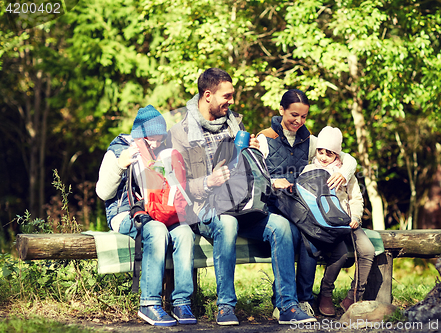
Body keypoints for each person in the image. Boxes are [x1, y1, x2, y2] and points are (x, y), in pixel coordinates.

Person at [167, 68, 316, 326]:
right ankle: (225, 306)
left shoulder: (236, 122)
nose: (232, 101)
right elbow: (177, 186)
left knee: (282, 226)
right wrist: (207, 181)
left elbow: (246, 167)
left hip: (243, 203)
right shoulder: (180, 133)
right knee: (227, 223)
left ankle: (288, 305)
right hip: (206, 208)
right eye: (227, 96)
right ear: (207, 95)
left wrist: (252, 152)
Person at [256, 89, 358, 317]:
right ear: (281, 110)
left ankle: (303, 298)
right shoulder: (264, 138)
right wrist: (273, 181)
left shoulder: (309, 140)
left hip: (302, 207)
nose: (298, 121)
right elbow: (253, 174)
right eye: (294, 115)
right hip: (274, 206)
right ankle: (282, 300)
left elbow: (346, 156)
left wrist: (346, 172)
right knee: (290, 235)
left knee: (309, 239)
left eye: (303, 116)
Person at [96, 105, 196, 326]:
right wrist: (121, 166)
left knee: (184, 232)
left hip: (158, 212)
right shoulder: (118, 151)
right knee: (157, 230)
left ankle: (181, 301)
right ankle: (149, 303)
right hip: (124, 214)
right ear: (140, 135)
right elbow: (103, 193)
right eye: (152, 139)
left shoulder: (162, 152)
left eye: (161, 139)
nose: (157, 144)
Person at [300, 126, 375, 315]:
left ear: (337, 153)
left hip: (348, 221)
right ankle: (325, 294)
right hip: (326, 224)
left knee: (367, 250)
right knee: (340, 252)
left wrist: (356, 217)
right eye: (321, 151)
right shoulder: (310, 169)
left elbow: (356, 198)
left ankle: (354, 295)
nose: (324, 156)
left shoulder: (345, 173)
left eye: (330, 153)